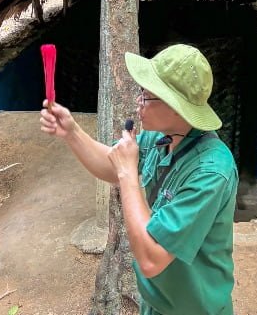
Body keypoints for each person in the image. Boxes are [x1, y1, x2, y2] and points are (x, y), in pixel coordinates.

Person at [40, 43, 238, 315]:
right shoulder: (163, 139)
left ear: (176, 107)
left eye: (147, 95)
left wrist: (127, 174)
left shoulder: (210, 173)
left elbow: (151, 259)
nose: (139, 100)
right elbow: (112, 162)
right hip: (157, 302)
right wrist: (72, 132)